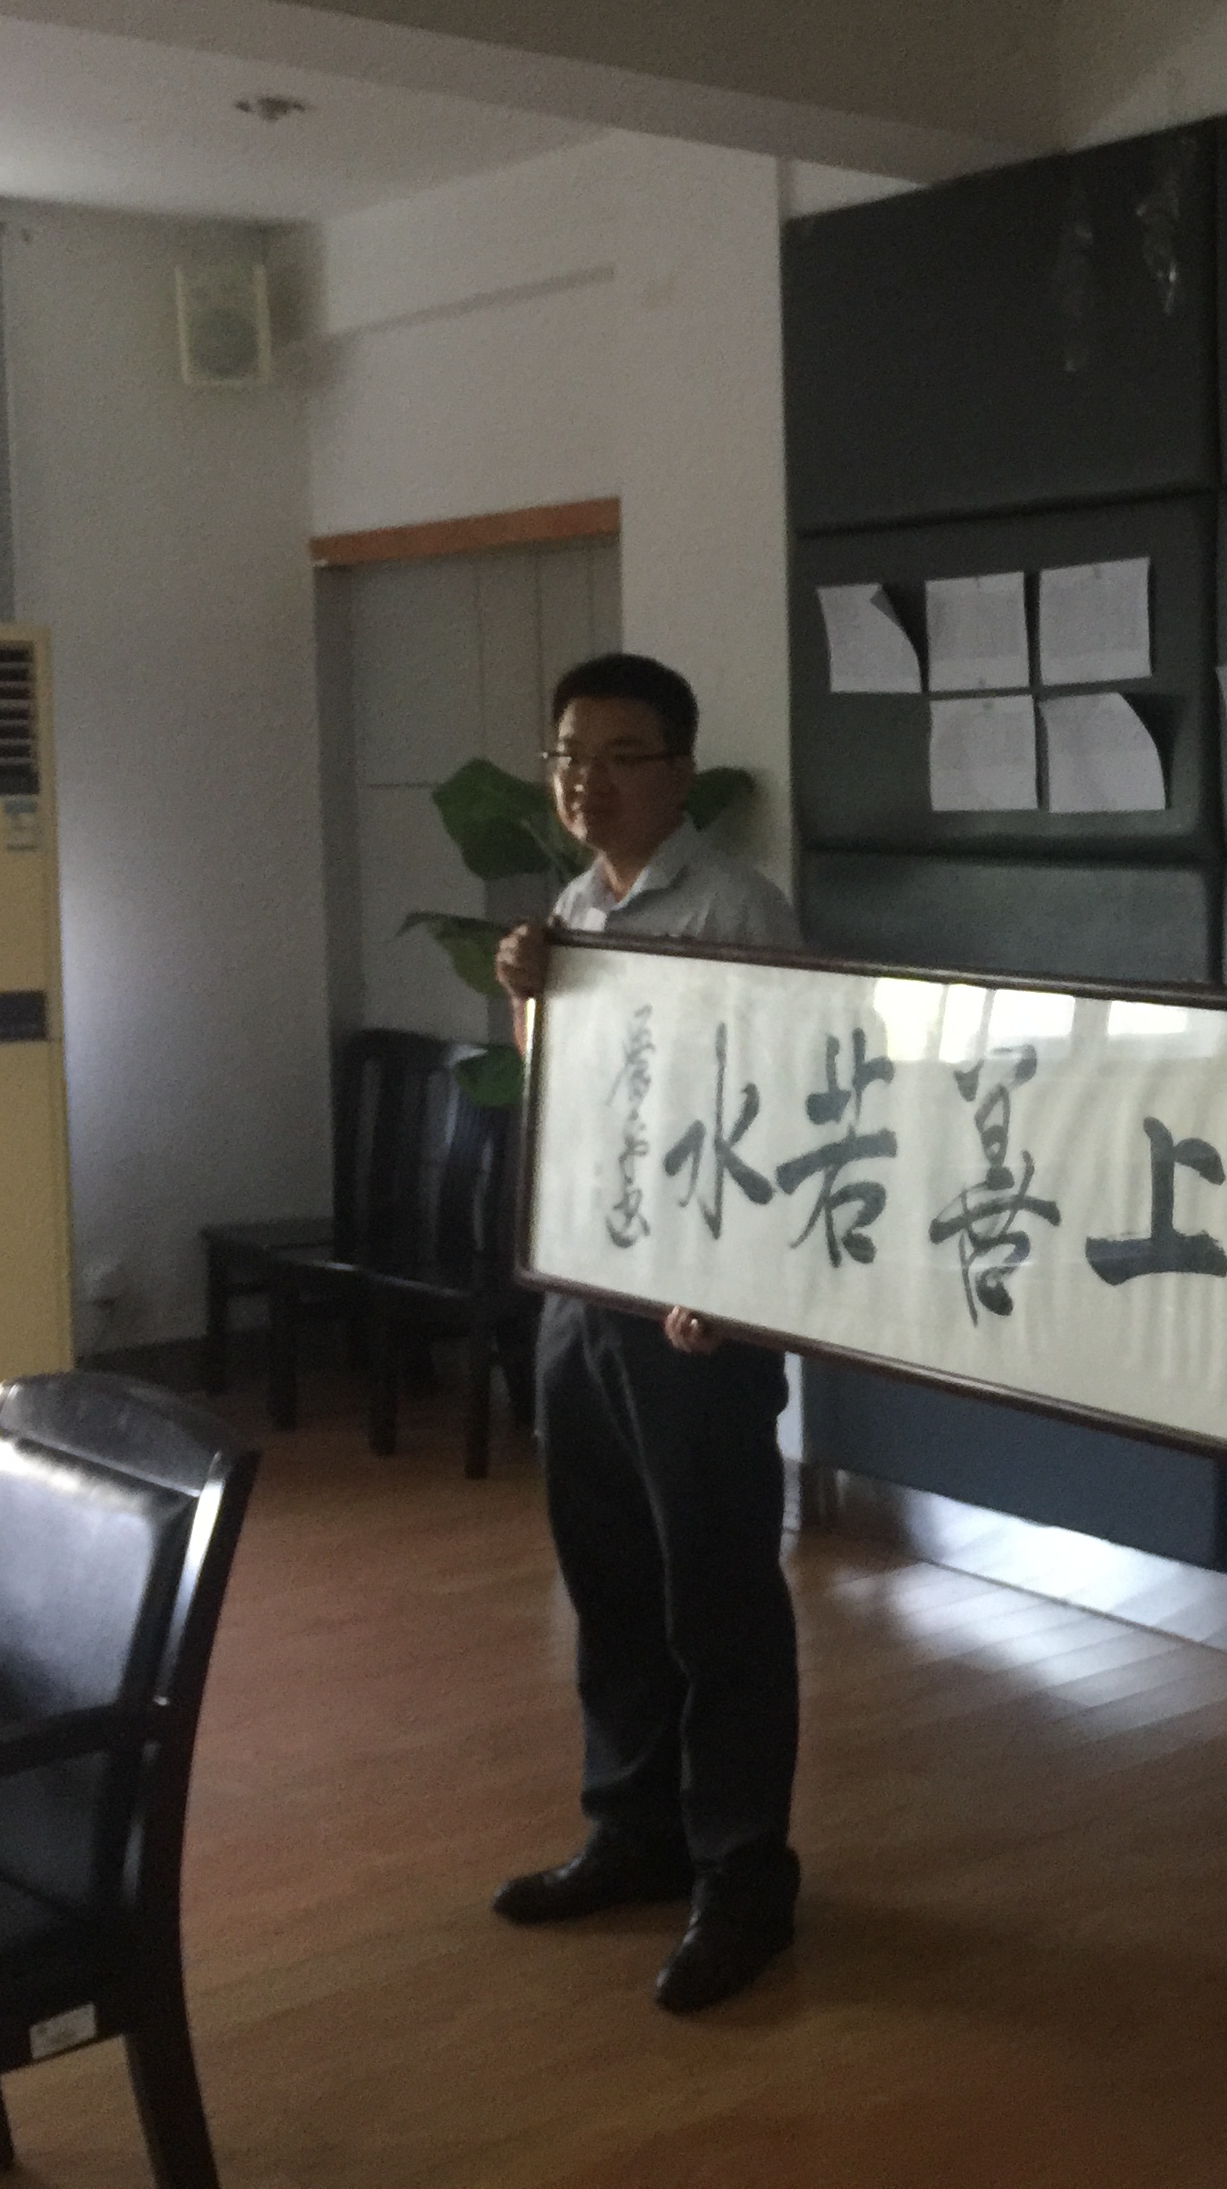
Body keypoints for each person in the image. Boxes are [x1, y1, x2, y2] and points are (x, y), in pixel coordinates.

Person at [490, 651, 808, 2014]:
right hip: (588, 1285)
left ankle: (743, 1872)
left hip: (699, 1318)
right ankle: (633, 1831)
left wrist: (730, 1283)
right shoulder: (576, 907)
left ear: (679, 772)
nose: (590, 782)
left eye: (621, 757)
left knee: (715, 1590)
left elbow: (790, 1106)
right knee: (609, 1574)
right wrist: (527, 1000)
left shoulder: (737, 911)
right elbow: (577, 1097)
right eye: (571, 757)